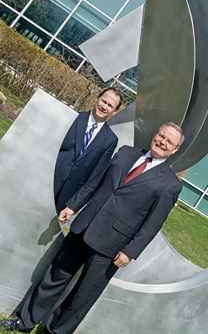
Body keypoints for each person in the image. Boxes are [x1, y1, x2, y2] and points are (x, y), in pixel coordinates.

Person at [0, 123, 184, 334]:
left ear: (175, 149)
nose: (163, 142)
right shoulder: (126, 152)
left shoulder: (169, 185)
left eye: (169, 141)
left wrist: (130, 252)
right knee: (54, 277)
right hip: (84, 228)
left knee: (81, 298)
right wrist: (73, 205)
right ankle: (23, 321)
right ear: (155, 135)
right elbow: (95, 182)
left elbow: (152, 224)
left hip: (112, 247)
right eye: (161, 136)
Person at [54, 87, 123, 213]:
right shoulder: (73, 118)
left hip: (67, 197)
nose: (104, 107)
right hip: (49, 179)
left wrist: (75, 204)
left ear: (114, 111)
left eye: (110, 105)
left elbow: (95, 176)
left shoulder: (111, 140)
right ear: (97, 99)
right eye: (103, 101)